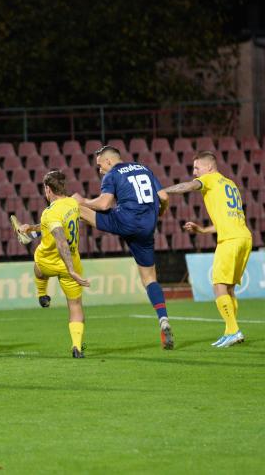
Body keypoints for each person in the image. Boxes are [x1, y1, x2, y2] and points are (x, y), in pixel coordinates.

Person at [72, 145, 174, 350]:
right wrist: (160, 213)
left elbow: (104, 204)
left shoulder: (112, 174)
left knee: (77, 208)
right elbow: (163, 197)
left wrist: (82, 199)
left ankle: (39, 233)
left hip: (126, 221)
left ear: (109, 161)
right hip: (147, 226)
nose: (99, 170)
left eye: (100, 166)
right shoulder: (144, 168)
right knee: (149, 278)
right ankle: (163, 319)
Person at [163, 151, 252, 347]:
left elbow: (188, 186)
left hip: (229, 240)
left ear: (209, 167)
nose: (194, 172)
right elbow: (227, 219)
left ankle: (234, 331)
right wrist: (202, 229)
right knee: (228, 288)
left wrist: (162, 190)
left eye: (197, 168)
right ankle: (230, 331)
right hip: (244, 236)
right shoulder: (230, 183)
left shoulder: (210, 178)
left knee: (218, 286)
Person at [14, 170, 91, 358]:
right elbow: (49, 225)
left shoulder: (49, 212)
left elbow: (60, 239)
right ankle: (77, 347)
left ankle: (42, 294)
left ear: (47, 189)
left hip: (48, 262)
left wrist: (71, 270)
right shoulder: (73, 204)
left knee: (38, 269)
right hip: (71, 262)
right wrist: (31, 228)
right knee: (75, 306)